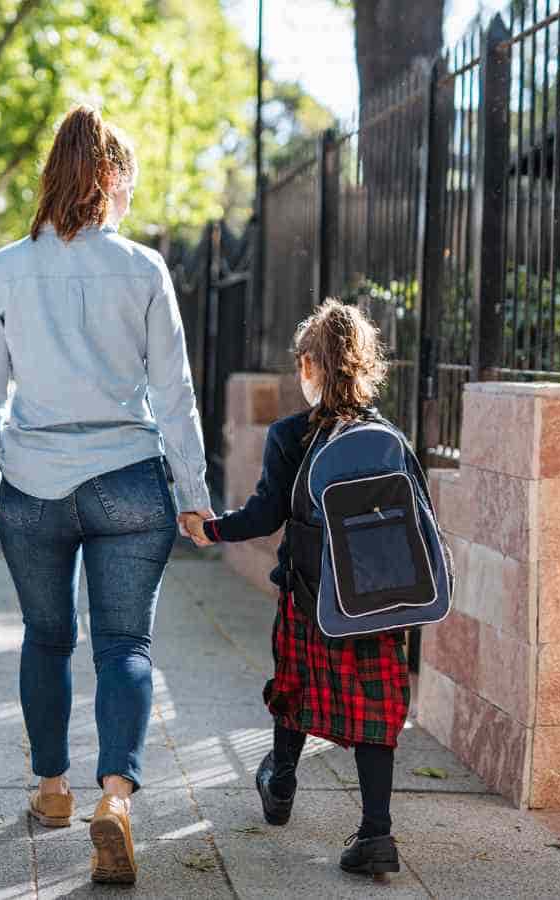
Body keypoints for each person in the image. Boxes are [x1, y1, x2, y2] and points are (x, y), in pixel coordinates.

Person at [0, 105, 212, 885]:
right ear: (110, 177)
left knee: (46, 638)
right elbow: (176, 393)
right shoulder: (143, 269)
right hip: (129, 478)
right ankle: (117, 800)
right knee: (125, 646)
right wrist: (195, 494)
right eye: (126, 175)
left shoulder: (4, 268)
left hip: (34, 482)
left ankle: (53, 790)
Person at [187, 300, 410, 878]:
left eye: (300, 365)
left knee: (295, 683)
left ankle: (281, 782)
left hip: (311, 595)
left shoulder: (292, 435)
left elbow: (264, 516)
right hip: (380, 601)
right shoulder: (388, 436)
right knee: (376, 705)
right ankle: (376, 833)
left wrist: (209, 529)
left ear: (310, 365)